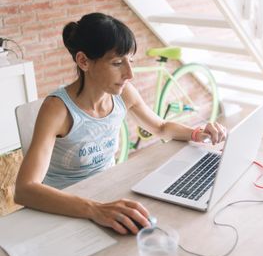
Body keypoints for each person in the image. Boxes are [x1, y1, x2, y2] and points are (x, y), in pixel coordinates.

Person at [15, 13, 226, 235]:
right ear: (84, 61)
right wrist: (95, 209)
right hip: (65, 208)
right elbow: (24, 190)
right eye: (117, 63)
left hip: (107, 195)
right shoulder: (57, 109)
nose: (130, 73)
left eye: (130, 61)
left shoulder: (122, 95)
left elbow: (161, 127)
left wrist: (197, 133)